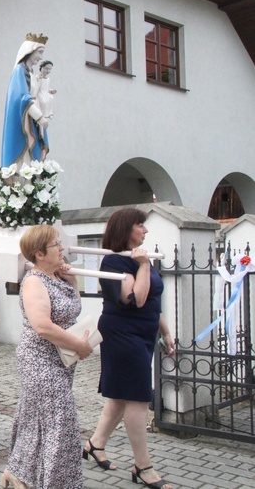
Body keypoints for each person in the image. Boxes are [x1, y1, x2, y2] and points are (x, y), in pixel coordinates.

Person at [84, 209, 175, 489]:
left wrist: (166, 332)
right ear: (126, 229)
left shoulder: (136, 258)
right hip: (122, 333)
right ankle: (143, 466)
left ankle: (95, 444)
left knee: (121, 397)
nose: (145, 231)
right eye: (140, 226)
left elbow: (153, 301)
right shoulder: (114, 262)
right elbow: (136, 298)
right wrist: (145, 266)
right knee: (137, 397)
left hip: (144, 333)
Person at [0, 225, 92, 489]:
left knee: (37, 420)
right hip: (39, 361)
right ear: (39, 253)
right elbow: (41, 325)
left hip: (60, 361)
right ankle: (55, 483)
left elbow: (72, 309)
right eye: (56, 245)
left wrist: (72, 282)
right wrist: (79, 344)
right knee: (61, 421)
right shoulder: (34, 281)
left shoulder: (57, 277)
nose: (62, 248)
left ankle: (18, 473)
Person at [1, 33, 50, 168]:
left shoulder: (30, 72)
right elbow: (22, 97)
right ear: (30, 50)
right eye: (39, 52)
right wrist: (39, 117)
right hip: (25, 121)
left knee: (33, 158)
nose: (41, 57)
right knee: (24, 158)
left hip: (32, 119)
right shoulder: (19, 70)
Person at [31, 60, 56, 137]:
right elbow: (35, 86)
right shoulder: (38, 77)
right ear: (41, 68)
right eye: (46, 68)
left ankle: (49, 113)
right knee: (43, 101)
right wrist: (38, 79)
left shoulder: (48, 79)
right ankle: (43, 116)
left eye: (49, 69)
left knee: (51, 98)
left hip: (46, 93)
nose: (47, 71)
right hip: (39, 94)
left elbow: (47, 88)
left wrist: (51, 91)